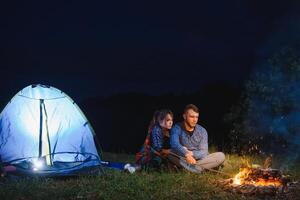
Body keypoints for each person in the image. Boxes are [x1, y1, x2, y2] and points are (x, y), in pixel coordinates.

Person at [169, 104, 225, 173]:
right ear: (184, 116)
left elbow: (204, 152)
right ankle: (201, 169)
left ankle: (190, 169)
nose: (195, 120)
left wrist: (191, 153)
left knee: (221, 156)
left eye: (196, 117)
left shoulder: (202, 131)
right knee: (171, 153)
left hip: (200, 160)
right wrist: (186, 154)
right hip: (183, 158)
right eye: (192, 117)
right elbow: (174, 143)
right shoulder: (177, 128)